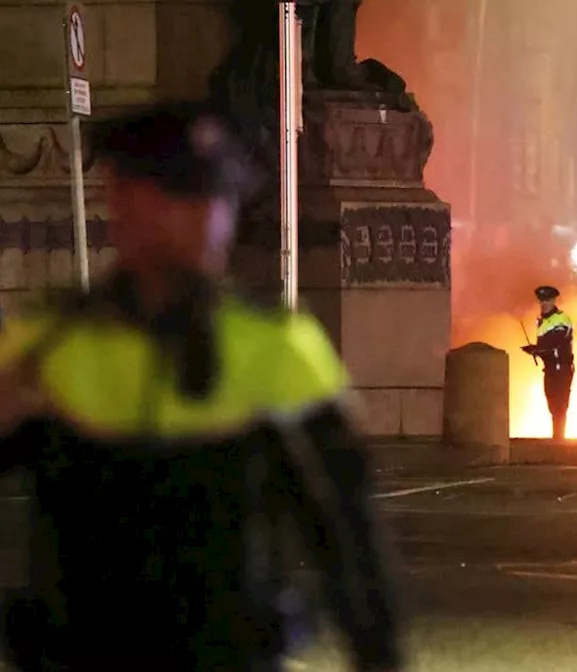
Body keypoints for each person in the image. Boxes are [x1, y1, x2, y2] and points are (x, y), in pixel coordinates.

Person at [0, 102, 402, 672]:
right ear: (121, 198)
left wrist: (379, 656)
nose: (208, 221)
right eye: (181, 195)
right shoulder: (48, 347)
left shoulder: (280, 346)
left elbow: (347, 536)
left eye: (220, 198)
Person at [522, 285, 574, 441]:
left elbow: (556, 343)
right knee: (551, 402)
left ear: (553, 300)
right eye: (541, 300)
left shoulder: (562, 319)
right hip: (550, 369)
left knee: (560, 403)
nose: (543, 303)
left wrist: (537, 350)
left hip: (562, 368)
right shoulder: (542, 322)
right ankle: (557, 436)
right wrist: (535, 350)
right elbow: (546, 346)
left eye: (547, 300)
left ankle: (559, 438)